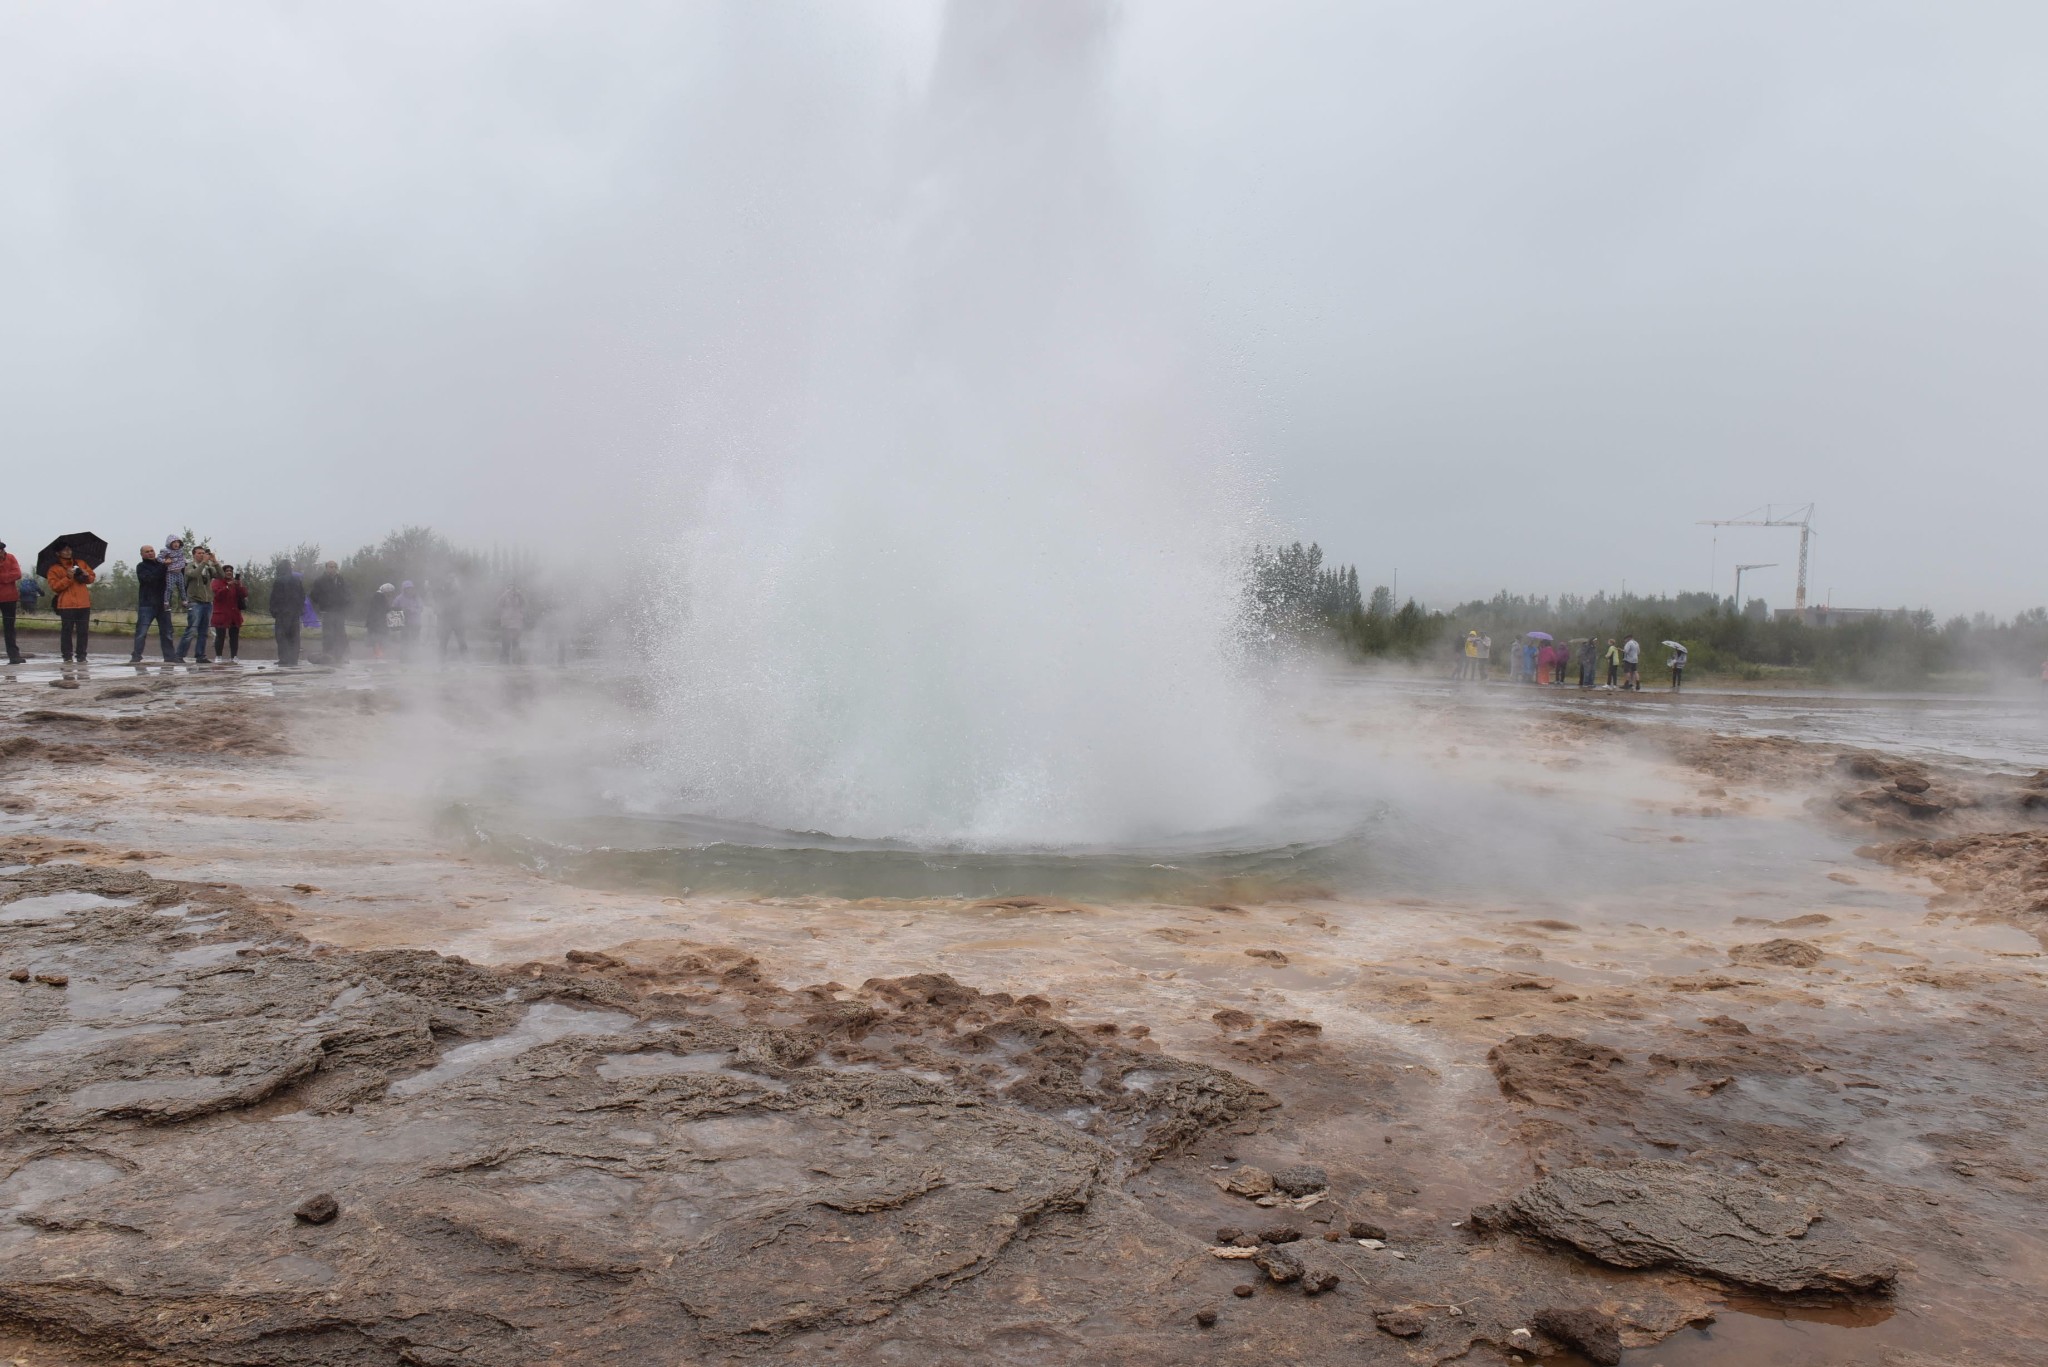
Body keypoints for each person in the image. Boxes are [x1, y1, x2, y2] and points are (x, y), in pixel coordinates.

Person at [46, 545, 95, 664]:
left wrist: (85, 574)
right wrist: (68, 577)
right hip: (66, 604)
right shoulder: (54, 569)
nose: (68, 552)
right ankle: (67, 656)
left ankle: (82, 655)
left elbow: (92, 578)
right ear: (58, 553)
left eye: (69, 549)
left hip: (83, 603)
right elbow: (55, 587)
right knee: (67, 631)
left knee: (83, 631)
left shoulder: (81, 563)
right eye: (65, 550)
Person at [129, 545, 175, 663]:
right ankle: (136, 656)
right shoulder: (141, 566)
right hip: (147, 604)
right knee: (141, 632)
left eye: (152, 551)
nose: (150, 553)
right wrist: (163, 567)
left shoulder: (162, 565)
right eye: (147, 551)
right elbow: (150, 579)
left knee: (167, 632)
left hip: (163, 603)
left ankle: (169, 657)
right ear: (142, 554)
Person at [174, 546, 215, 663]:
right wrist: (203, 563)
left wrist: (215, 561)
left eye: (203, 553)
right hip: (195, 602)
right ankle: (179, 655)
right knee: (191, 630)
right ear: (193, 555)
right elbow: (194, 575)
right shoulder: (188, 567)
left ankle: (200, 655)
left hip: (207, 602)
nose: (202, 555)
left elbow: (220, 575)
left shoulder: (208, 567)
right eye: (199, 553)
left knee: (203, 631)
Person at [309, 561, 353, 663]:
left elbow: (348, 593)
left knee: (340, 634)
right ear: (326, 568)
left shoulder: (341, 580)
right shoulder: (320, 581)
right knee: (328, 634)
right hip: (327, 611)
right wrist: (323, 603)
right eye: (330, 567)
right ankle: (327, 655)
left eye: (334, 567)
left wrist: (345, 601)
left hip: (339, 611)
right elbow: (313, 596)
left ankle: (341, 656)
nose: (332, 569)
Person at [269, 559, 306, 667]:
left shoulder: (279, 581)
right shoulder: (297, 580)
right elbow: (302, 596)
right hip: (295, 613)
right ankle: (294, 659)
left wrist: (274, 611)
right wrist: (299, 609)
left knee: (282, 636)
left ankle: (284, 659)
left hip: (282, 613)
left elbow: (274, 597)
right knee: (294, 637)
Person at [211, 564, 247, 662]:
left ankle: (234, 656)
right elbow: (217, 595)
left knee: (234, 636)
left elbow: (244, 594)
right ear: (223, 572)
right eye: (227, 571)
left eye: (231, 571)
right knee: (220, 635)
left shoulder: (236, 583)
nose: (229, 572)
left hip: (234, 613)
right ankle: (218, 656)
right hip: (221, 613)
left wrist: (239, 584)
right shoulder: (216, 582)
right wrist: (227, 587)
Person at [0, 540, 22, 665]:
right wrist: (7, 577)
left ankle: (14, 655)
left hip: (9, 598)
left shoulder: (11, 558)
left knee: (10, 628)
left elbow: (17, 574)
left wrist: (2, 577)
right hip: (7, 595)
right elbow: (12, 575)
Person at [435, 578, 469, 660]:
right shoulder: (443, 594)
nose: (450, 587)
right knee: (443, 640)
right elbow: (440, 606)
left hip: (457, 619)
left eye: (451, 585)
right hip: (447, 620)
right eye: (449, 585)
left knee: (461, 640)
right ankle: (441, 657)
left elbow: (463, 606)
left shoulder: (459, 594)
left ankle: (465, 657)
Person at [393, 580, 425, 659]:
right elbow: (393, 609)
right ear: (403, 589)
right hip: (404, 623)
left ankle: (415, 657)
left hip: (415, 623)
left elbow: (421, 608)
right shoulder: (399, 598)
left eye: (410, 588)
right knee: (405, 641)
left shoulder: (416, 598)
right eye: (407, 588)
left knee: (415, 640)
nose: (409, 590)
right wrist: (401, 610)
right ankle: (404, 657)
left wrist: (411, 610)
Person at [496, 584, 527, 663]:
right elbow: (498, 604)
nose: (512, 592)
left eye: (514, 589)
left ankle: (517, 661)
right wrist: (506, 593)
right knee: (505, 644)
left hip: (516, 624)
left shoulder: (519, 597)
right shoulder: (504, 597)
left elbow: (524, 604)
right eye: (510, 589)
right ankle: (504, 661)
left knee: (515, 643)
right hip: (506, 623)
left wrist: (519, 594)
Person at [364, 583, 395, 659]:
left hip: (375, 623)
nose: (391, 594)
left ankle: (378, 656)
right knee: (377, 640)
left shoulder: (378, 596)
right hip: (376, 624)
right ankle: (378, 656)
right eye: (390, 592)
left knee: (377, 641)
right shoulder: (379, 597)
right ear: (386, 591)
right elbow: (383, 610)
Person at [161, 536, 189, 613]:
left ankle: (185, 601)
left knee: (182, 587)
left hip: (179, 572)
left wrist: (185, 562)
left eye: (177, 542)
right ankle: (166, 603)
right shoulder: (166, 551)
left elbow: (183, 558)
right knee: (169, 588)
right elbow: (158, 558)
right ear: (170, 543)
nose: (176, 544)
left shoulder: (181, 551)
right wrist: (165, 561)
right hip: (171, 572)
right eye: (174, 542)